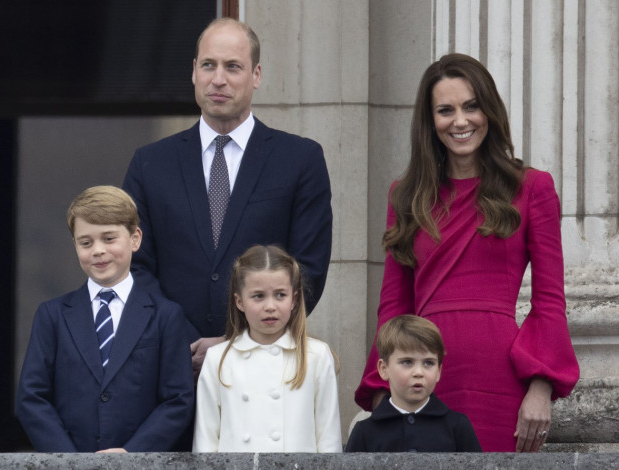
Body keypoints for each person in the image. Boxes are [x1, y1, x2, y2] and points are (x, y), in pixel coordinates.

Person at [354, 53, 579, 452]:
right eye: (446, 110)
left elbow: (549, 299)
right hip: (422, 377)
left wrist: (541, 387)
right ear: (431, 122)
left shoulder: (532, 187)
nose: (460, 121)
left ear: (488, 111)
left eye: (471, 106)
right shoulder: (404, 194)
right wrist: (380, 387)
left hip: (500, 381)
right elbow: (393, 306)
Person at [122, 18, 332, 379]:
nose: (218, 79)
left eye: (233, 67)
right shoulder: (150, 163)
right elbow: (134, 266)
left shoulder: (300, 160)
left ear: (256, 75)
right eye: (209, 65)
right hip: (170, 372)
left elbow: (307, 268)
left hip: (264, 369)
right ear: (193, 72)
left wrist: (237, 341)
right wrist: (180, 339)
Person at [15, 186, 194, 452]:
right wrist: (69, 461)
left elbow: (177, 400)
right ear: (75, 245)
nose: (98, 250)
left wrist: (132, 454)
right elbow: (31, 397)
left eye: (109, 238)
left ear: (135, 239)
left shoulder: (166, 316)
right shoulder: (52, 315)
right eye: (86, 242)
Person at [193, 245, 341, 452]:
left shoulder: (316, 356)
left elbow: (328, 440)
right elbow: (205, 442)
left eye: (280, 295)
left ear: (294, 300)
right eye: (258, 296)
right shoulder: (218, 359)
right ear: (239, 301)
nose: (270, 306)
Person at [346, 315, 481, 452]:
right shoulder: (364, 432)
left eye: (428, 363)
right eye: (407, 362)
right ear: (383, 369)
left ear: (439, 371)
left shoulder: (457, 426)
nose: (419, 372)